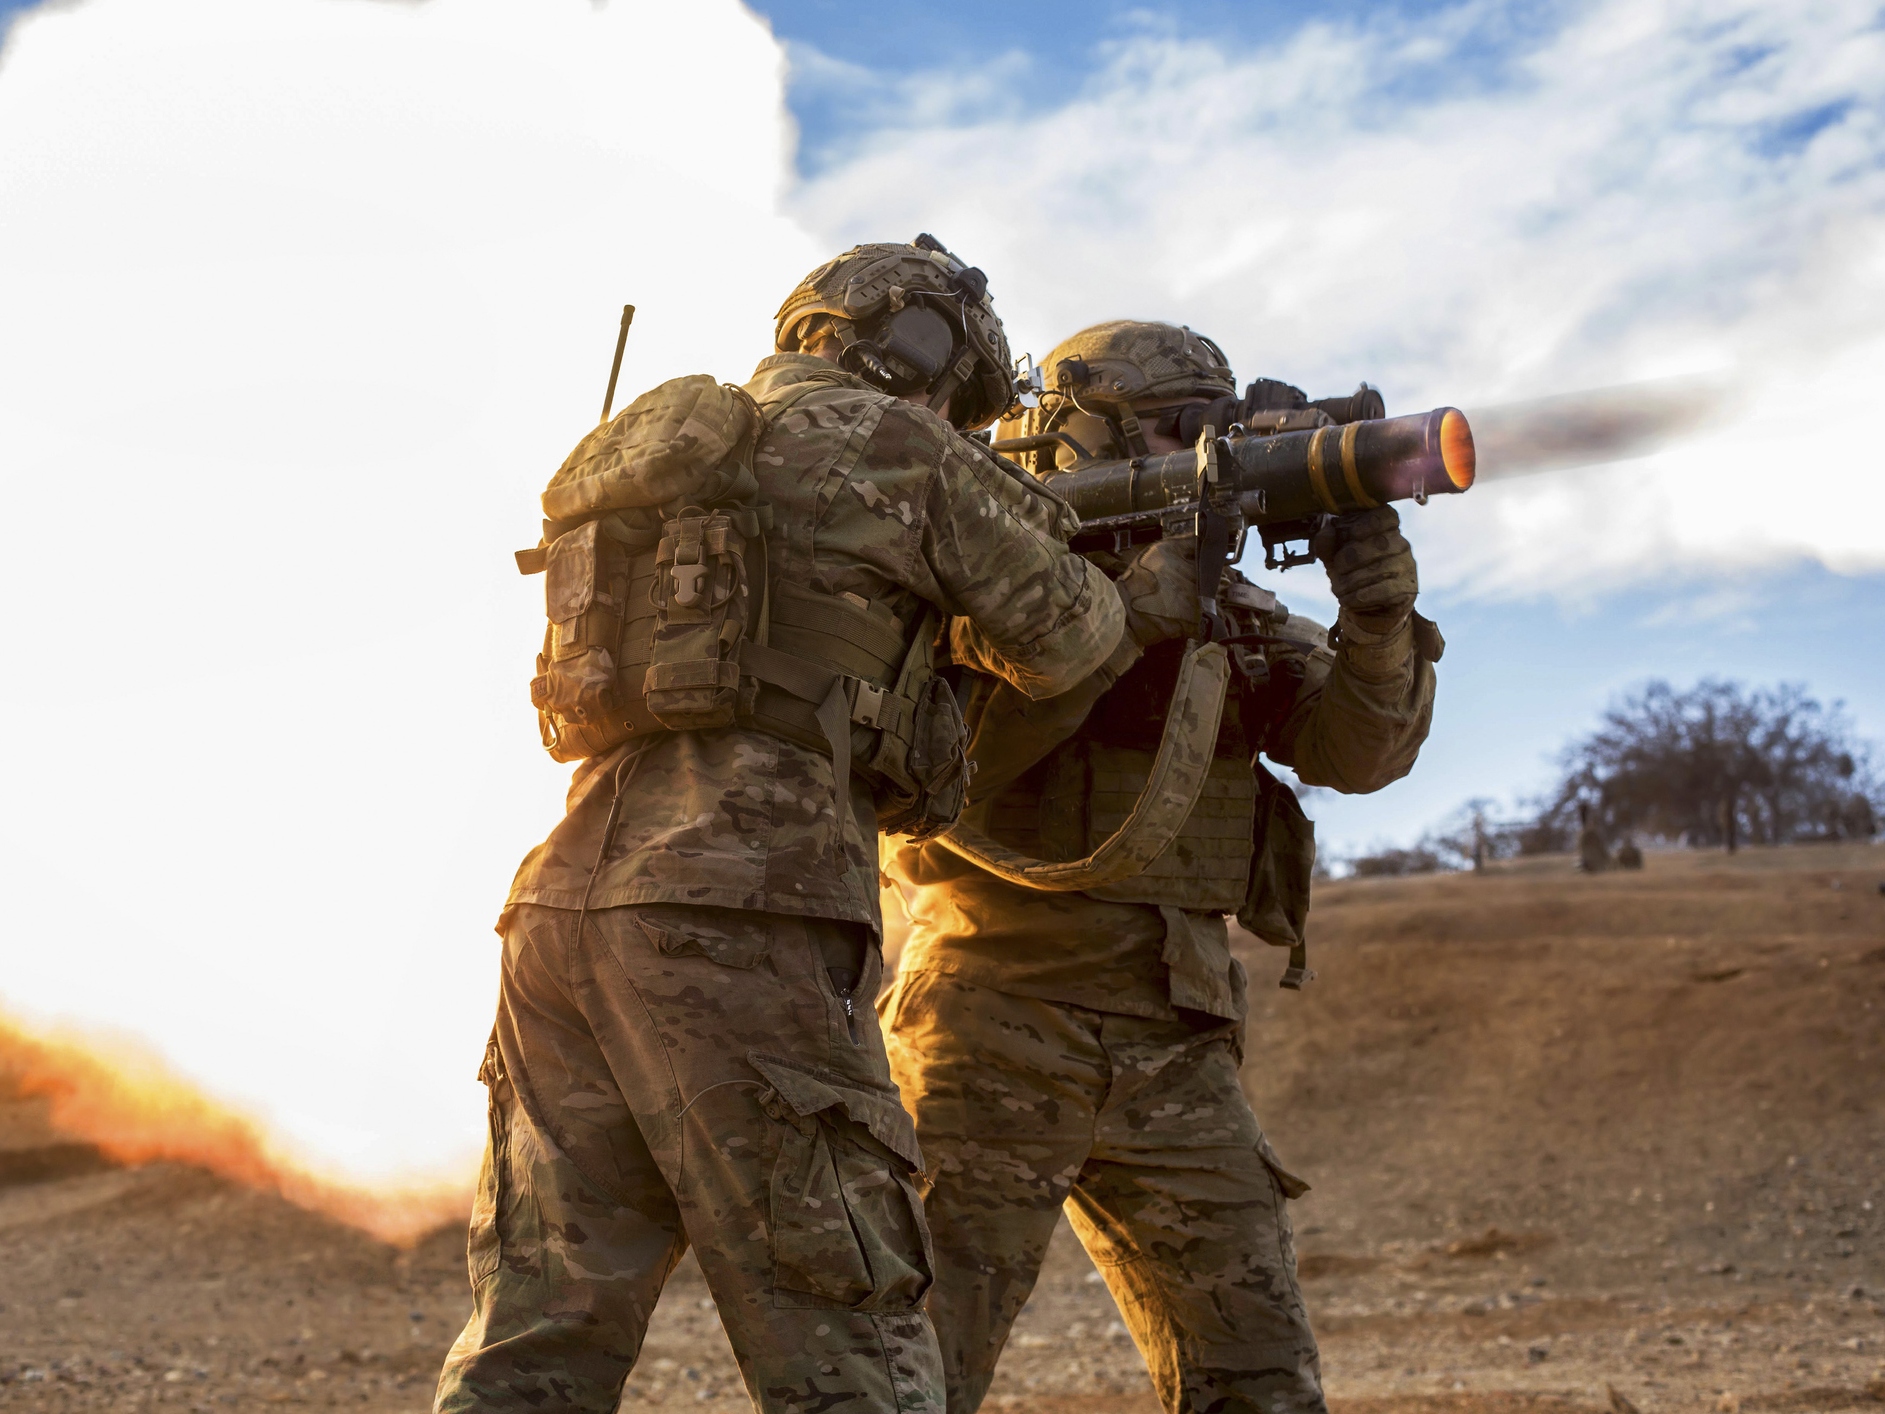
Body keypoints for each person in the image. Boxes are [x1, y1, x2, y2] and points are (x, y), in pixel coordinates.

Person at [435, 244, 1157, 1414]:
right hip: (748, 909)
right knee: (847, 1332)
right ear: (918, 346)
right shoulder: (898, 442)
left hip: (563, 907)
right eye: (955, 386)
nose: (948, 409)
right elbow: (1071, 636)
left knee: (535, 1337)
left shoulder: (672, 449)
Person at [881, 320, 1442, 1414]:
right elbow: (943, 775)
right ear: (1077, 435)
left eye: (1211, 428)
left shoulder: (1228, 613)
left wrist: (1376, 616)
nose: (1202, 448)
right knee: (911, 1378)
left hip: (1177, 1042)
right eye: (1171, 429)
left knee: (1259, 1382)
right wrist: (1125, 618)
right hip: (995, 1018)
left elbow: (1357, 754)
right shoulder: (988, 588)